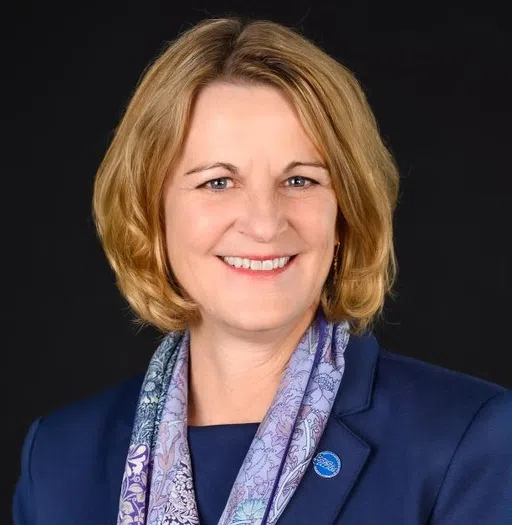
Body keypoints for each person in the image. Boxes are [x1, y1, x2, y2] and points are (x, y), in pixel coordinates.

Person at [13, 16, 511, 525]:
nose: (264, 223)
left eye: (299, 180)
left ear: (345, 213)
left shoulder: (465, 442)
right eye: (217, 183)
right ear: (152, 211)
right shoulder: (56, 459)